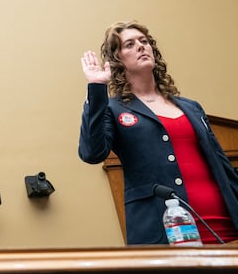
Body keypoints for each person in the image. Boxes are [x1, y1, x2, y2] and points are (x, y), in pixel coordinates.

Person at [78, 20, 238, 245]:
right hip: (166, 233)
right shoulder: (113, 109)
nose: (141, 46)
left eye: (144, 41)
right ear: (117, 59)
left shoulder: (191, 107)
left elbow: (223, 167)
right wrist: (96, 88)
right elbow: (91, 153)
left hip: (226, 227)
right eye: (130, 44)